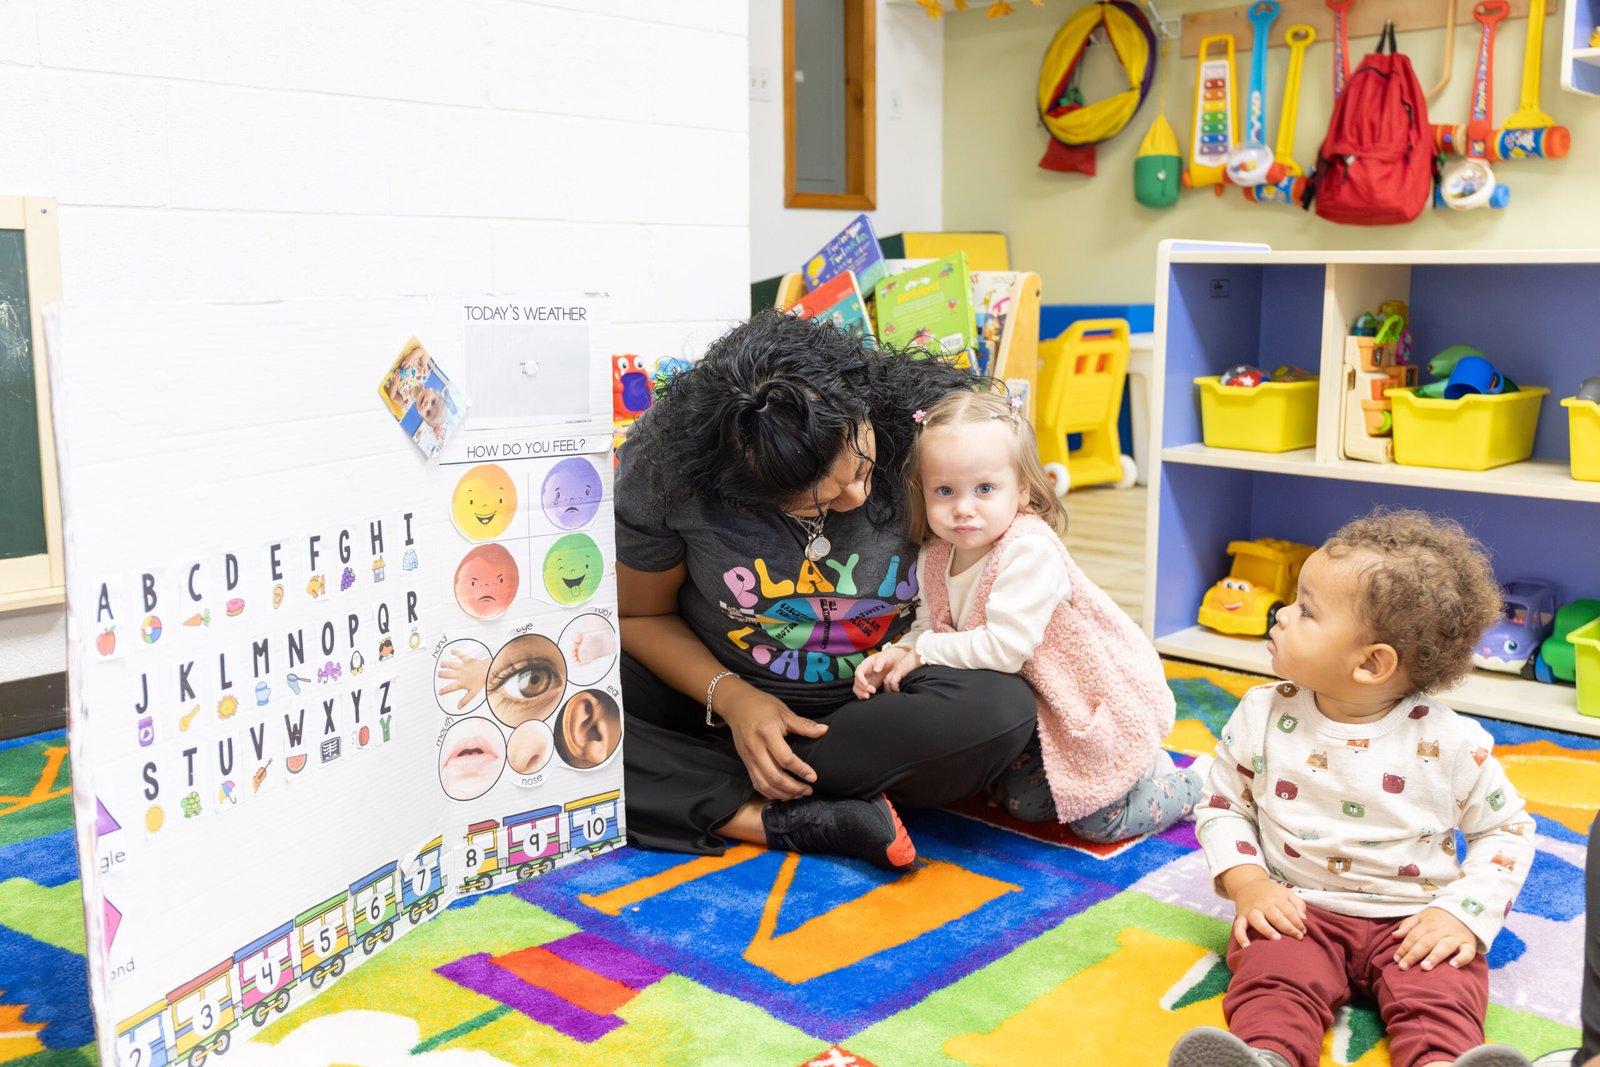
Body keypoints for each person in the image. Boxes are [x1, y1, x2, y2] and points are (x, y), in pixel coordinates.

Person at [613, 310, 1039, 871]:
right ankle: (778, 818)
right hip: (711, 697)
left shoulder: (936, 428)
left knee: (1001, 712)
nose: (858, 500)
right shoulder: (666, 462)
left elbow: (1019, 548)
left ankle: (708, 783)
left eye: (863, 468)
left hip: (875, 706)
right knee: (551, 704)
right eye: (817, 502)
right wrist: (736, 701)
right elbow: (640, 616)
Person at [1169, 508, 1539, 1067]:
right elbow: (1222, 804)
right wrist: (1250, 886)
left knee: (1444, 992)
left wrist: (1461, 914)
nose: (1282, 614)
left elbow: (1506, 829)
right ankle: (1267, 1057)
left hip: (1415, 920)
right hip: (1299, 911)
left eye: (1306, 611)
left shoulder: (1454, 742)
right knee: (1271, 980)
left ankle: (1442, 1062)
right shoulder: (1261, 715)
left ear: (1371, 663)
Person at [852, 388, 1198, 842]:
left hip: (1087, 698)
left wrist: (925, 653)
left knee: (1097, 824)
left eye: (984, 489)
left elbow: (1006, 648)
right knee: (1025, 805)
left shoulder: (1028, 551)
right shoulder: (937, 554)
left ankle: (1190, 784)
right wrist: (899, 651)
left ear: (1022, 491)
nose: (963, 507)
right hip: (1035, 707)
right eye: (944, 490)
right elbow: (931, 624)